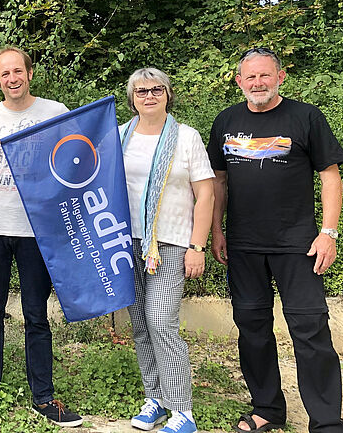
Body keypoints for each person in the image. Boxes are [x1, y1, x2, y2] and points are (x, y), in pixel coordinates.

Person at [208, 48, 343, 433]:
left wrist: (328, 233)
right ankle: (267, 408)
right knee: (252, 329)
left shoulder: (306, 117)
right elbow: (218, 181)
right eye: (250, 77)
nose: (258, 83)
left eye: (265, 76)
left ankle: (326, 423)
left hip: (298, 245)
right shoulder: (225, 121)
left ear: (280, 77)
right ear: (239, 82)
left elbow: (330, 176)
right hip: (243, 246)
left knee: (310, 330)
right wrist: (217, 230)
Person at [0, 46, 83, 428]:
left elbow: (71, 169)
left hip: (38, 228)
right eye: (4, 74)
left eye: (18, 71)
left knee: (36, 313)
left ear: (29, 74)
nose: (12, 79)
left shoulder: (56, 112)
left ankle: (44, 397)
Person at [119, 68, 214, 433]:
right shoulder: (120, 135)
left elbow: (206, 193)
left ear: (168, 94)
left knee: (161, 321)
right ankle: (155, 399)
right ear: (132, 98)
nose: (149, 96)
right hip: (126, 243)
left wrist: (197, 246)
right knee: (141, 324)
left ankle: (183, 411)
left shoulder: (186, 138)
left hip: (170, 242)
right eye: (141, 91)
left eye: (157, 89)